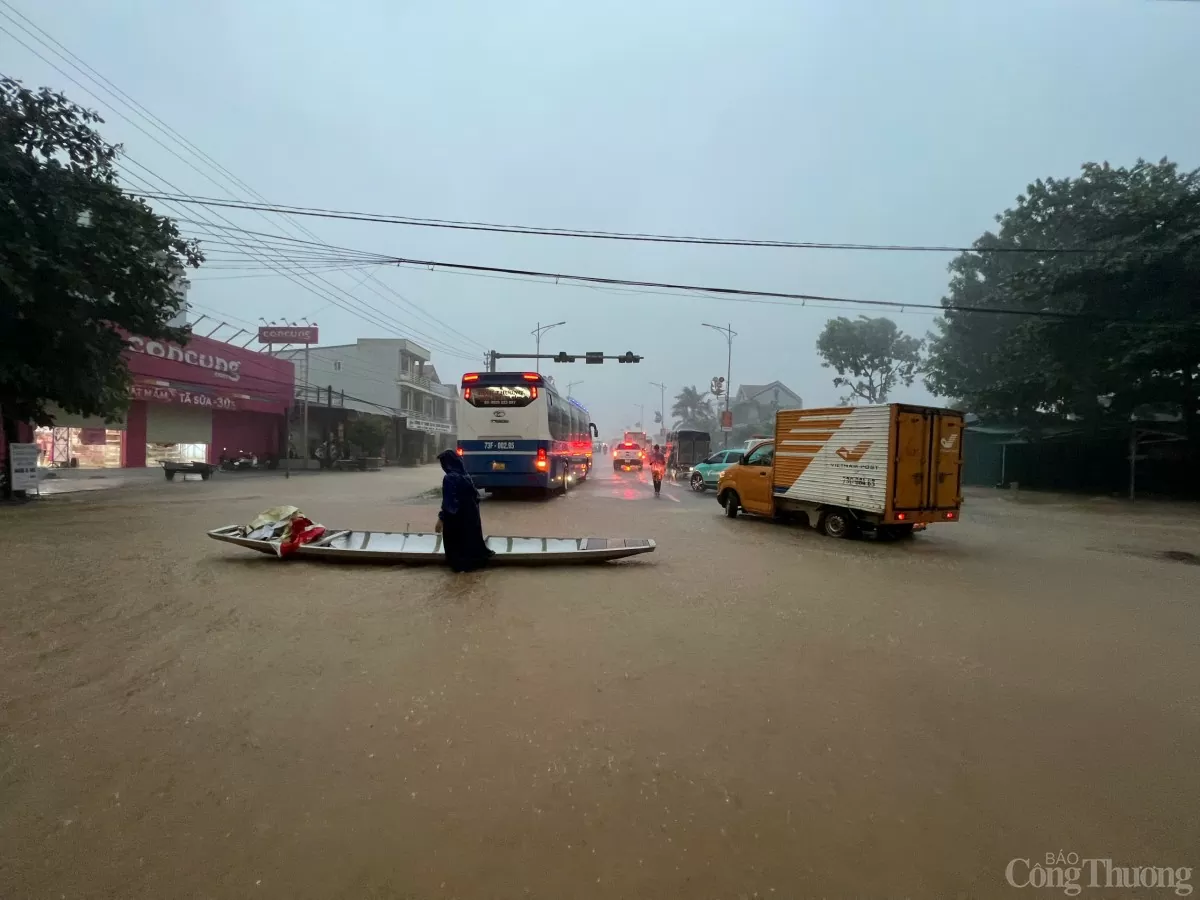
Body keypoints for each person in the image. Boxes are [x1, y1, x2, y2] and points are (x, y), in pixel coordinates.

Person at [434, 449, 494, 573]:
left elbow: (449, 503)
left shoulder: (449, 478)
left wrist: (441, 519)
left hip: (457, 519)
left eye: (443, 463)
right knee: (470, 542)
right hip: (471, 517)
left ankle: (460, 569)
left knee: (456, 549)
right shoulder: (466, 476)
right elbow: (477, 497)